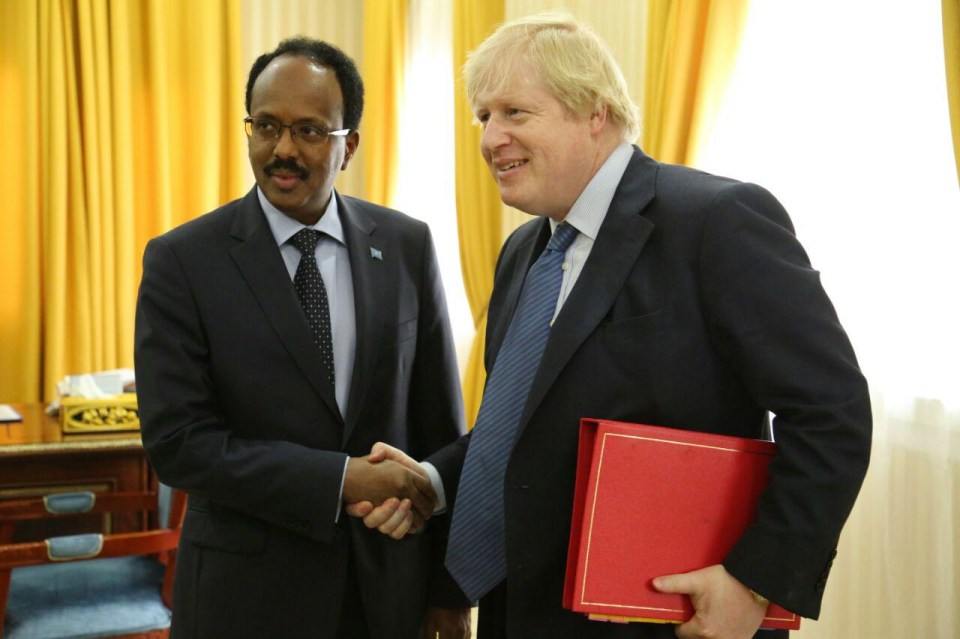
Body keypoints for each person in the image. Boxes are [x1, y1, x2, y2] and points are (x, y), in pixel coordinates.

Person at [350, 13, 872, 639]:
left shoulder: (717, 221)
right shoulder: (522, 254)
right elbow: (523, 429)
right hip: (526, 610)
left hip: (671, 618)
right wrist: (430, 481)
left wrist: (754, 581)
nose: (490, 139)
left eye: (514, 112)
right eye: (483, 117)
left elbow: (832, 413)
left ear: (593, 112)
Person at [134, 37, 471, 639]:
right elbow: (179, 444)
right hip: (246, 600)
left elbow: (438, 427)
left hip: (386, 593)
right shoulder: (183, 261)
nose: (282, 150)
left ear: (351, 145)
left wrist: (448, 589)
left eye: (310, 131)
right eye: (266, 126)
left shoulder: (406, 246)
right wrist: (340, 480)